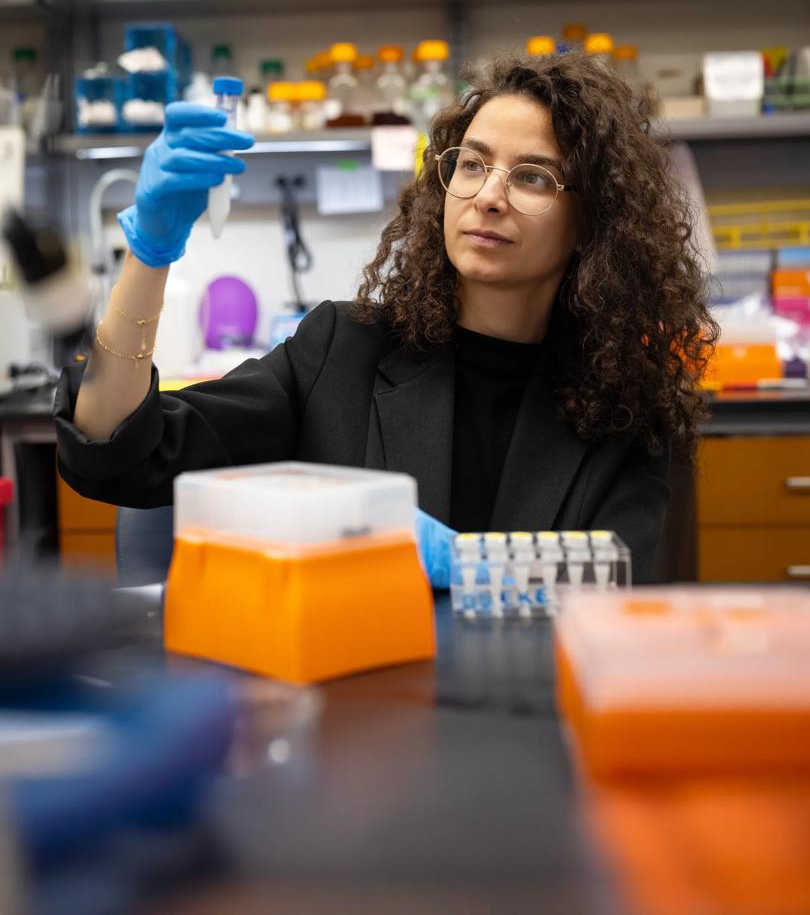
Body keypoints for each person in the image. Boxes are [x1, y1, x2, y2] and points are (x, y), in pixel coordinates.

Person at [55, 52, 717, 585]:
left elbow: (621, 596)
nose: (488, 197)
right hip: (356, 711)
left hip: (529, 717)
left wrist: (465, 569)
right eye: (474, 163)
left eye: (533, 177)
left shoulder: (626, 406)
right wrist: (149, 252)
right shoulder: (342, 352)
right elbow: (115, 452)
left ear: (591, 223)